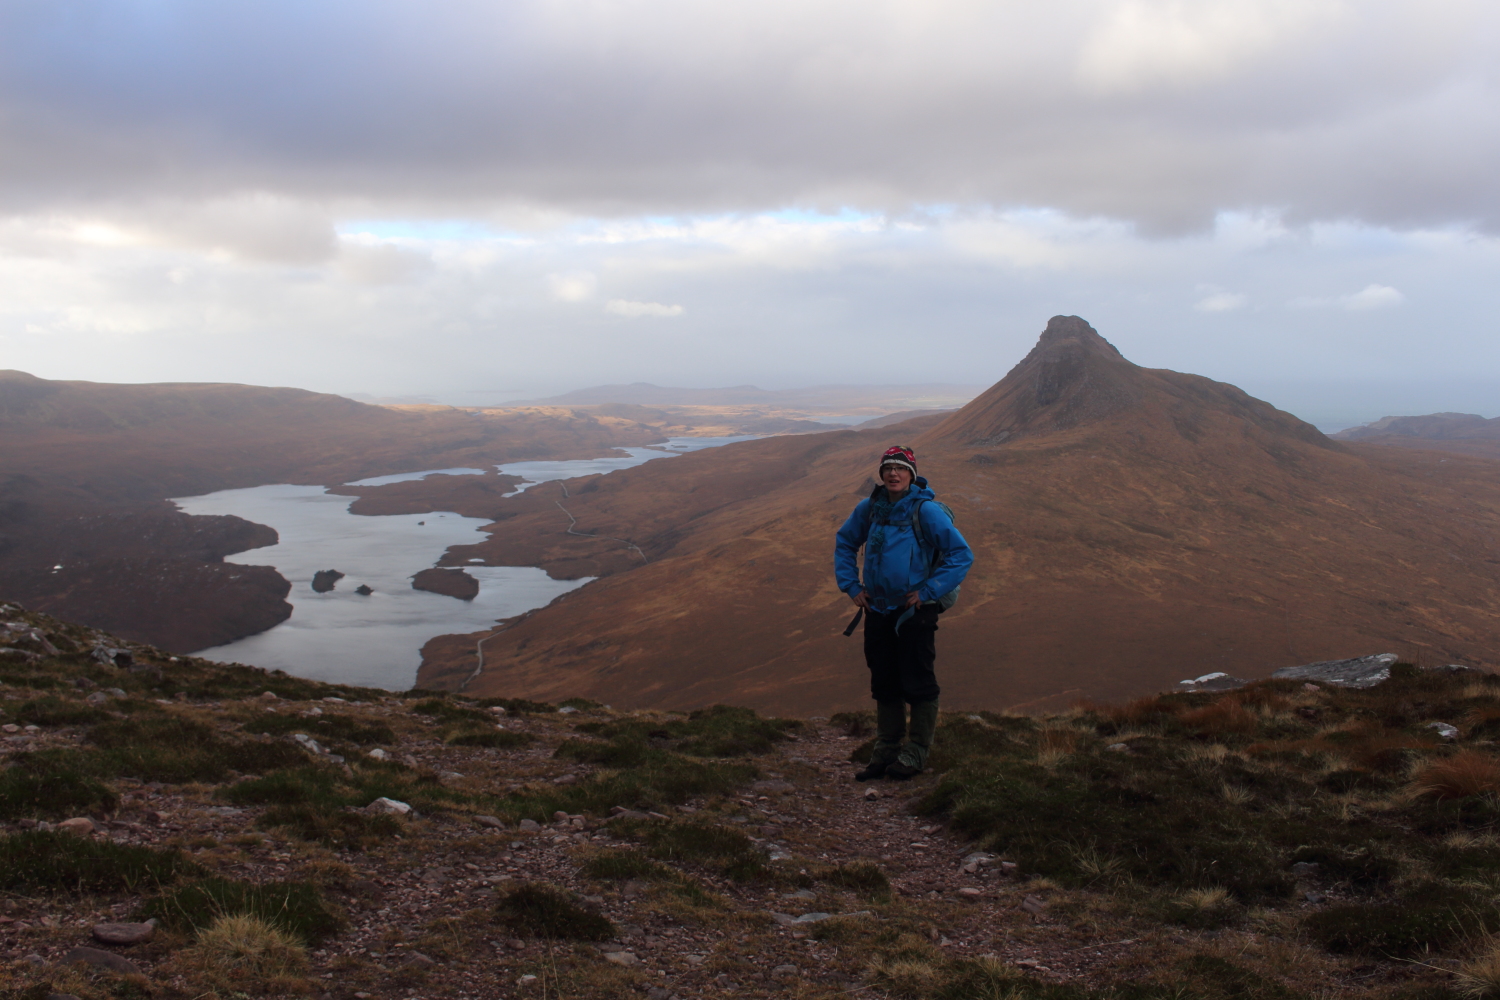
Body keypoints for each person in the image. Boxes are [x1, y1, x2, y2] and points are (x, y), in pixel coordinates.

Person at [834, 445, 974, 780]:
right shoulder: (869, 509)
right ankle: (886, 750)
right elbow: (845, 543)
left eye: (900, 468)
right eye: (887, 468)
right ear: (881, 474)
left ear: (911, 474)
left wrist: (928, 592)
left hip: (915, 612)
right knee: (884, 680)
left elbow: (961, 554)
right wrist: (852, 586)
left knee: (918, 681)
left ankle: (916, 753)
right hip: (878, 610)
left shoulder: (925, 511)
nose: (893, 474)